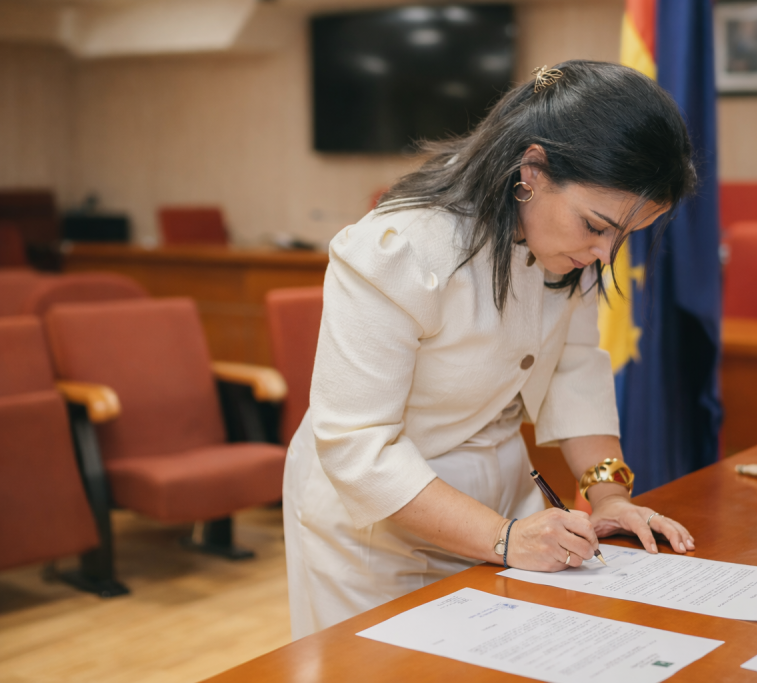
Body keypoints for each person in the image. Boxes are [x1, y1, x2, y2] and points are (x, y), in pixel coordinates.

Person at [283, 60, 700, 639]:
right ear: (532, 169)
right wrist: (501, 538)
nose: (606, 255)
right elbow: (358, 448)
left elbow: (574, 368)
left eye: (623, 237)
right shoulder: (397, 250)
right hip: (381, 519)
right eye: (596, 226)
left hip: (505, 503)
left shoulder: (566, 248)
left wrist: (607, 496)